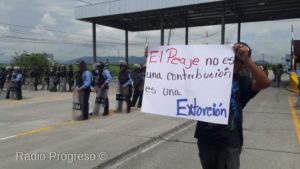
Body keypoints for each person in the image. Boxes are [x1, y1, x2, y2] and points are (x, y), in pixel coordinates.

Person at [194, 42, 271, 169]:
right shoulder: (206, 77)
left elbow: (265, 83)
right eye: (233, 59)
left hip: (230, 142)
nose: (236, 63)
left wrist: (246, 59)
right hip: (205, 139)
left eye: (240, 61)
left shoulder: (243, 82)